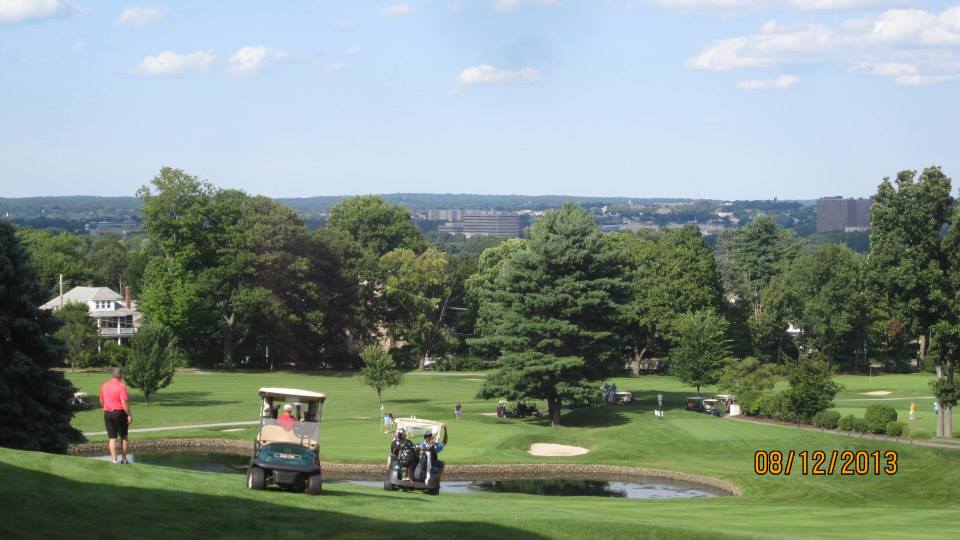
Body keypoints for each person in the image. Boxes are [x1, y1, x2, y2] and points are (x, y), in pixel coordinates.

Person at [99, 367, 132, 464]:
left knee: (112, 438)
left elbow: (101, 400)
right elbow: (124, 403)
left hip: (107, 413)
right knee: (124, 436)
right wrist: (129, 415)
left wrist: (106, 407)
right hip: (119, 413)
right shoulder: (121, 386)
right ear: (121, 375)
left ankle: (114, 460)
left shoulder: (104, 385)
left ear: (112, 375)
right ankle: (124, 459)